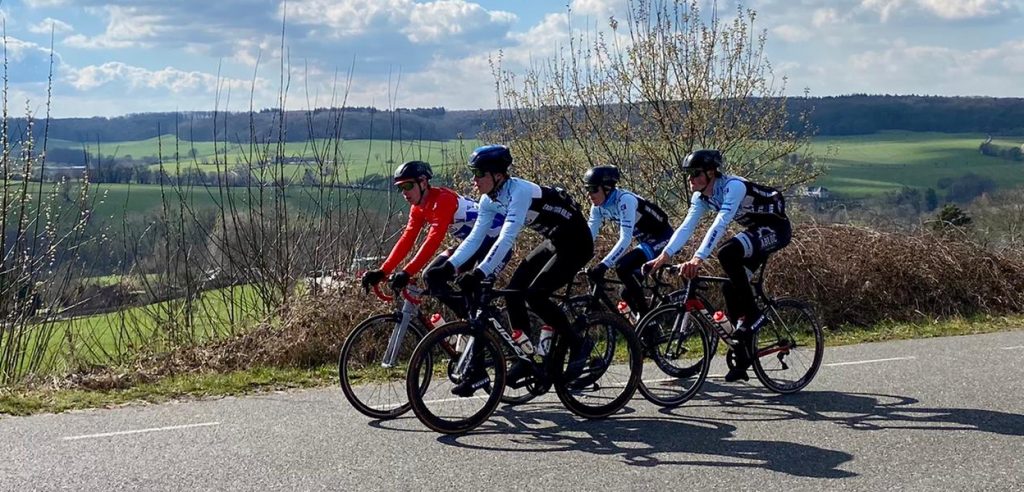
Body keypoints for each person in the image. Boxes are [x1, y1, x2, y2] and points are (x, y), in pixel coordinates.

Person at [426, 144, 596, 396]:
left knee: (536, 295)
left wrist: (480, 272)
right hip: (554, 240)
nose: (474, 180)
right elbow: (474, 238)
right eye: (473, 173)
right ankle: (525, 357)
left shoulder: (520, 192)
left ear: (498, 174)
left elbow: (506, 238)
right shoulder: (488, 199)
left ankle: (578, 343)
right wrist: (449, 268)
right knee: (514, 291)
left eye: (479, 174)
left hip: (577, 242)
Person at [645, 149, 791, 382]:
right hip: (756, 232)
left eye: (695, 173)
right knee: (729, 289)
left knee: (727, 252)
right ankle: (742, 355)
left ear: (711, 173)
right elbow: (686, 227)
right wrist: (664, 256)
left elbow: (720, 224)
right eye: (688, 174)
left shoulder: (733, 186)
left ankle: (754, 315)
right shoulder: (701, 196)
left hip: (777, 230)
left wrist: (698, 258)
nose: (690, 179)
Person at [360, 160, 504, 318]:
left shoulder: (443, 200)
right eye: (400, 188)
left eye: (408, 186)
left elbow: (433, 240)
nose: (404, 193)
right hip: (473, 246)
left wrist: (407, 272)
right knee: (430, 276)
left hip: (495, 242)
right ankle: (468, 322)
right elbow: (407, 239)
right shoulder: (418, 208)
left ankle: (484, 322)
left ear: (423, 183)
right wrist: (383, 271)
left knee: (463, 286)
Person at [584, 165, 673, 319]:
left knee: (622, 267)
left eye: (593, 189)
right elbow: (587, 236)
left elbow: (625, 238)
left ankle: (647, 320)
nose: (589, 194)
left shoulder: (625, 200)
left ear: (607, 188)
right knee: (626, 293)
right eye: (587, 189)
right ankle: (646, 330)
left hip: (663, 238)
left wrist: (604, 265)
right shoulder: (598, 207)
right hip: (645, 241)